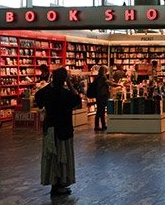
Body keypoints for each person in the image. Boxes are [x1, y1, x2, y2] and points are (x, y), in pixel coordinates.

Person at [34, 67, 82, 196]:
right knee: (62, 156)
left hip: (50, 127)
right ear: (64, 79)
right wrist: (70, 84)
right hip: (63, 129)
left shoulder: (48, 91)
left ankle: (54, 183)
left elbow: (38, 98)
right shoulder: (65, 93)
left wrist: (51, 84)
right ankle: (59, 184)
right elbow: (77, 100)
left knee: (52, 157)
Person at [93, 65, 117, 131]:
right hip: (102, 96)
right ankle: (98, 126)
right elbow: (109, 83)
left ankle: (102, 125)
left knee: (100, 111)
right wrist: (116, 84)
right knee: (100, 111)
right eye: (106, 71)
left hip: (99, 96)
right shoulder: (103, 77)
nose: (106, 72)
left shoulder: (98, 77)